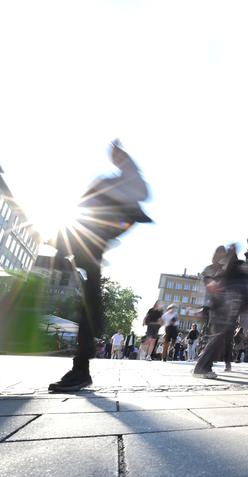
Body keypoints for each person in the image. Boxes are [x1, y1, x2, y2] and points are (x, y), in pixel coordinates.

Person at [49, 141, 151, 392]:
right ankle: (82, 363)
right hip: (84, 237)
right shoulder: (108, 181)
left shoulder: (125, 181)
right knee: (88, 298)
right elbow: (83, 206)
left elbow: (141, 193)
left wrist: (126, 163)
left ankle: (81, 366)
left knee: (89, 298)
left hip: (91, 241)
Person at [193, 244, 248, 378]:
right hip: (218, 307)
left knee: (220, 338)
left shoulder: (225, 269)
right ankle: (202, 367)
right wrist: (204, 307)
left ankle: (205, 366)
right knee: (217, 337)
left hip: (225, 307)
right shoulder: (213, 270)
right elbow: (207, 289)